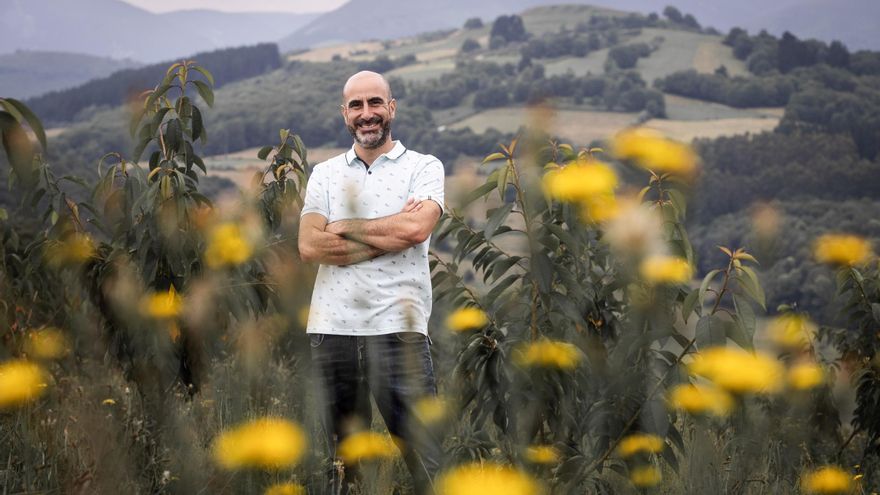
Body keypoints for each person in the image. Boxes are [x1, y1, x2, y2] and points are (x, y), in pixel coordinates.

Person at [298, 71, 445, 494]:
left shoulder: (423, 167)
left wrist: (343, 225)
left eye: (375, 103)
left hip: (399, 332)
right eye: (357, 105)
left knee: (427, 463)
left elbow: (415, 231)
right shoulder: (324, 174)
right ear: (344, 113)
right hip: (332, 333)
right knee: (342, 470)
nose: (367, 114)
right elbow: (309, 246)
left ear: (391, 108)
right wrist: (387, 233)